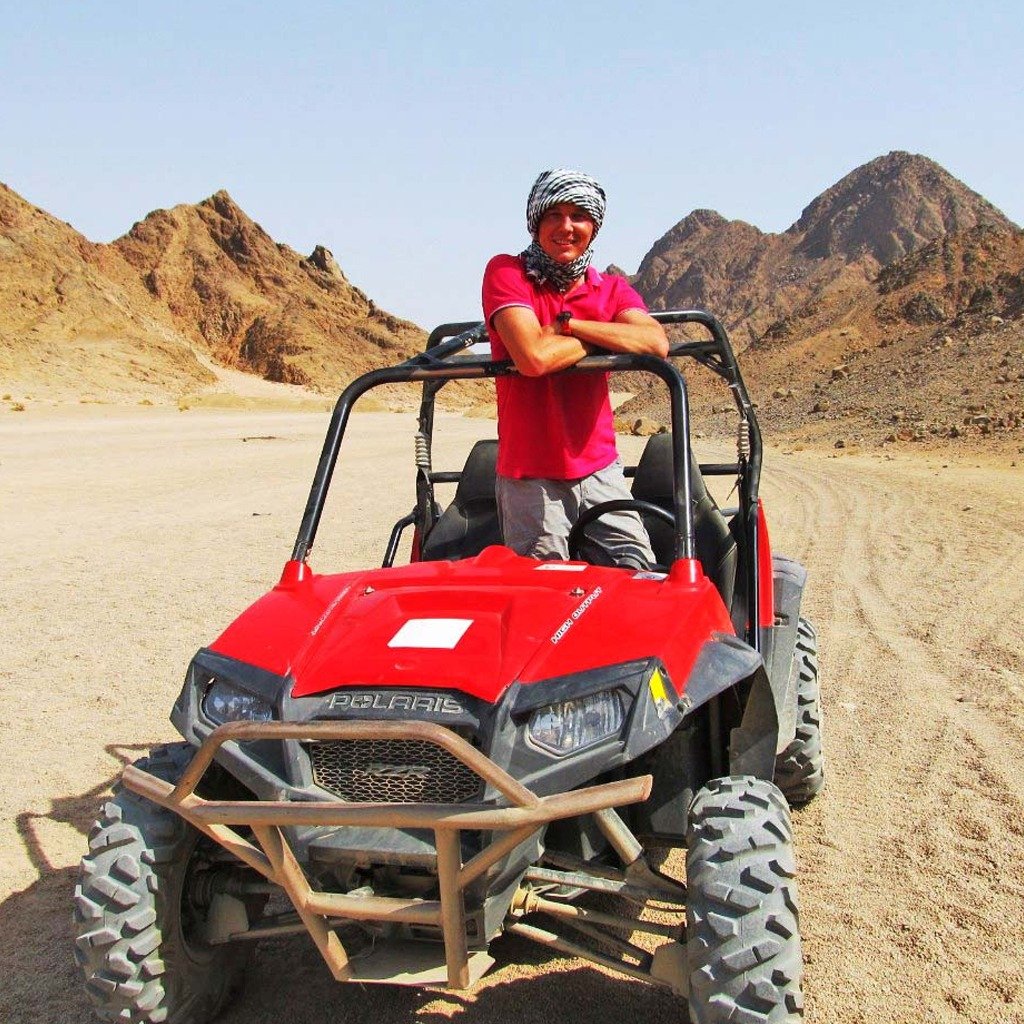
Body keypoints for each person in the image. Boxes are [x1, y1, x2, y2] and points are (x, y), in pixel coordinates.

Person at [481, 168, 669, 568]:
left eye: (578, 216)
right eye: (553, 215)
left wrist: (569, 326)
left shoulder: (611, 288)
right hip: (530, 480)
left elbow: (655, 343)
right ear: (535, 224)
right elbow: (533, 359)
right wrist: (604, 334)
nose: (566, 227)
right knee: (542, 600)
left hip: (600, 469)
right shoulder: (507, 273)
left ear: (594, 227)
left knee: (637, 579)